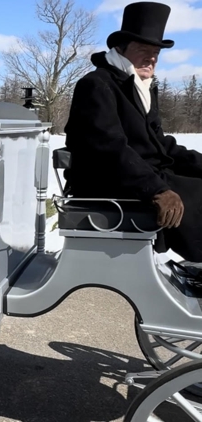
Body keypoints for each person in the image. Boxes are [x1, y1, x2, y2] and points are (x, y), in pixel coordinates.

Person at [64, 1, 202, 262]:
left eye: (156, 52)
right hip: (107, 181)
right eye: (143, 49)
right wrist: (157, 190)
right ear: (121, 50)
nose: (151, 58)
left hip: (138, 174)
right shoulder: (96, 85)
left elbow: (160, 144)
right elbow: (108, 149)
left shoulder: (141, 87)